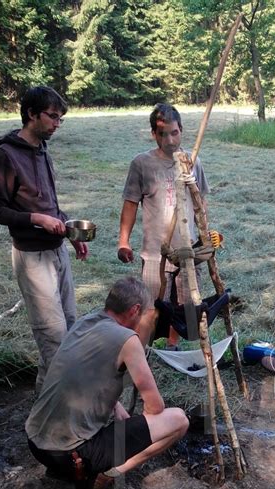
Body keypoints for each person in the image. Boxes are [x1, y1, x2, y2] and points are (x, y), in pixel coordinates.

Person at [26, 276, 189, 489]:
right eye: (145, 314)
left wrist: (117, 408)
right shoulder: (128, 340)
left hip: (37, 445)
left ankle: (68, 472)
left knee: (118, 423)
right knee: (179, 420)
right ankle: (102, 482)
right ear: (135, 310)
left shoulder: (85, 322)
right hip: (72, 455)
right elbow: (155, 408)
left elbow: (87, 375)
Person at [0, 86, 88, 393]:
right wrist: (36, 219)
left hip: (58, 254)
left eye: (60, 119)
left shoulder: (42, 150)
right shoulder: (6, 156)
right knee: (52, 336)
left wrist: (70, 232)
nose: (57, 123)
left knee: (67, 329)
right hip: (32, 258)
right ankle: (57, 421)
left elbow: (49, 204)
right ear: (31, 114)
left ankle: (45, 405)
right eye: (52, 117)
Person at [117, 103, 210, 347]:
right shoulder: (142, 164)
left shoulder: (192, 162)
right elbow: (130, 204)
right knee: (150, 306)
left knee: (185, 306)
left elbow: (201, 203)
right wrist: (123, 241)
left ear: (182, 130)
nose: (169, 140)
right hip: (155, 253)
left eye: (174, 133)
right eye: (162, 134)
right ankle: (142, 349)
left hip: (188, 250)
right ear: (153, 134)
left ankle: (173, 345)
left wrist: (205, 236)